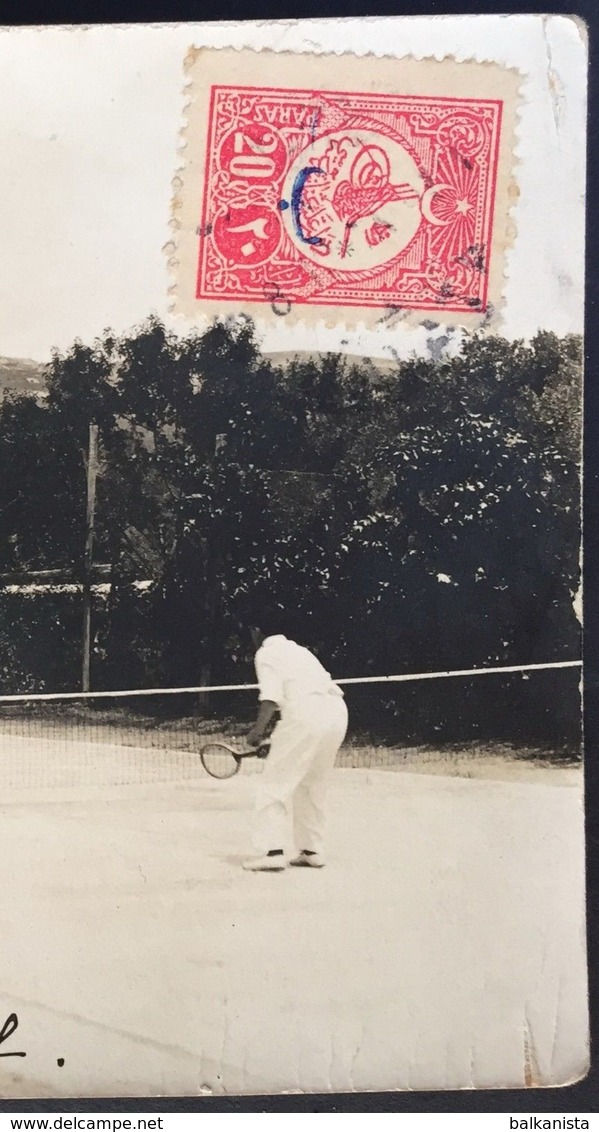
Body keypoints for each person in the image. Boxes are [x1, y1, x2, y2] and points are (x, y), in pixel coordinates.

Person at [242, 611, 348, 872]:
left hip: (306, 716)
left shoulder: (265, 653)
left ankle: (272, 852)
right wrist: (277, 739)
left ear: (257, 630)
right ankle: (311, 850)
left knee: (272, 785)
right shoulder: (300, 650)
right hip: (336, 712)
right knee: (313, 783)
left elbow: (271, 697)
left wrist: (257, 733)